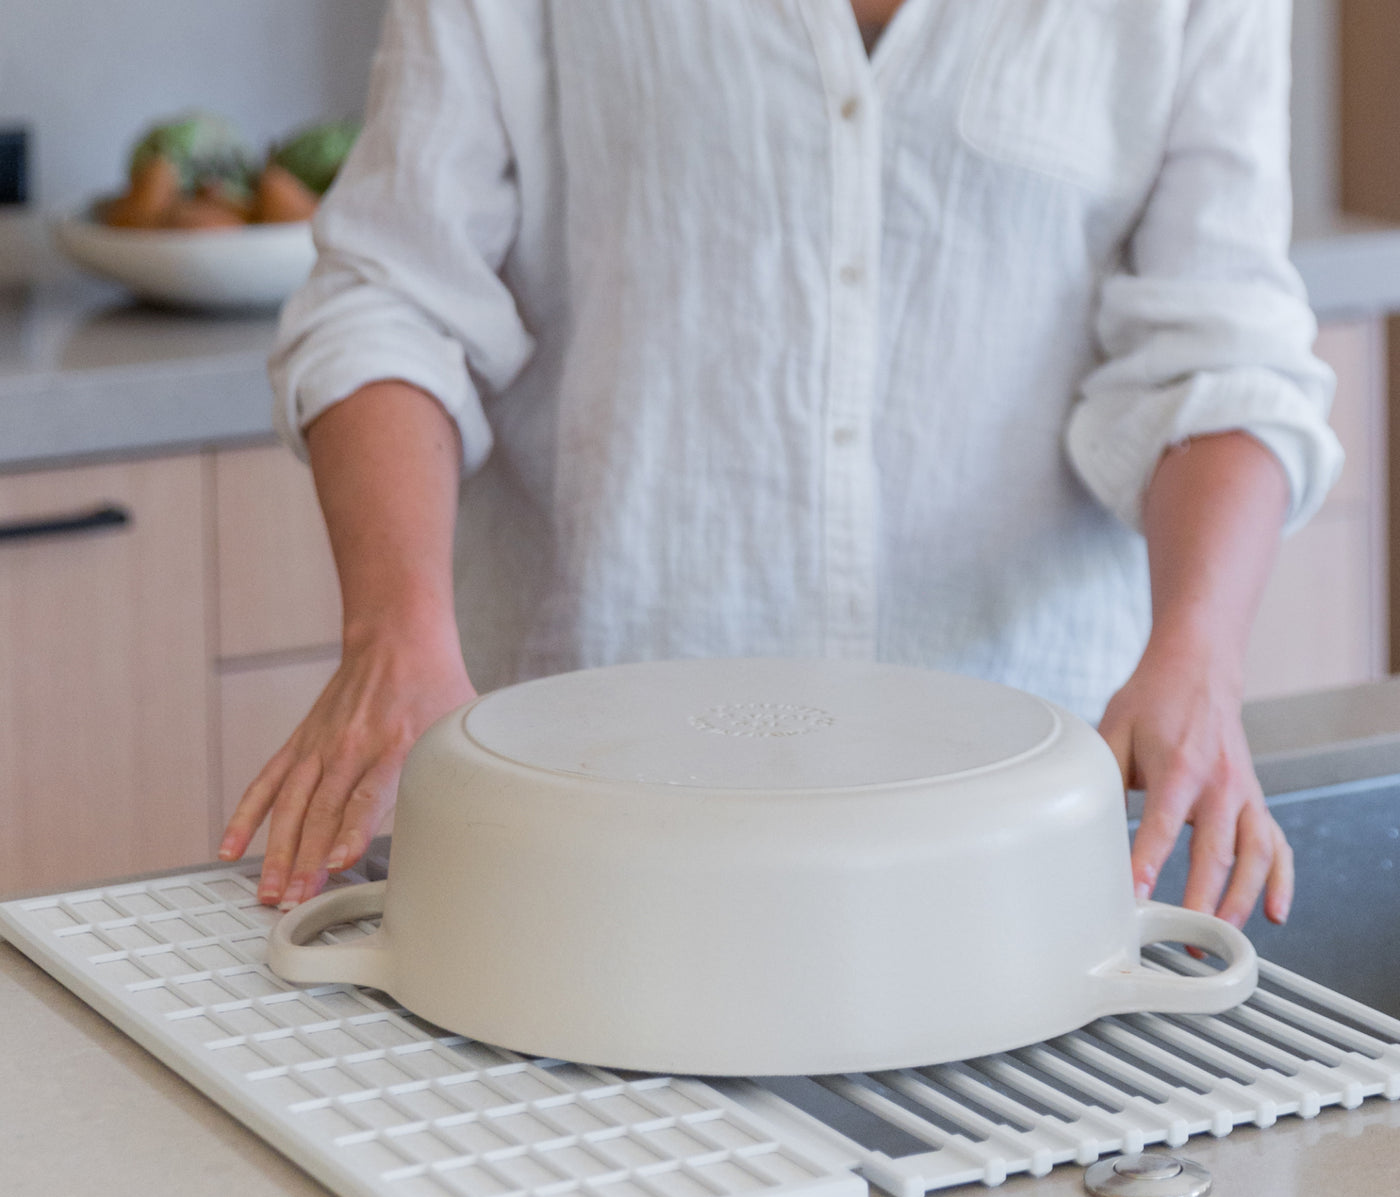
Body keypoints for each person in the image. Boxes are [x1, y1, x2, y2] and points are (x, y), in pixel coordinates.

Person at [219, 0, 1341, 932]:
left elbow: (1221, 346)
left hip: (1015, 834)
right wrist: (393, 626)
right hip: (585, 821)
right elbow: (393, 294)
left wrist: (1198, 648)